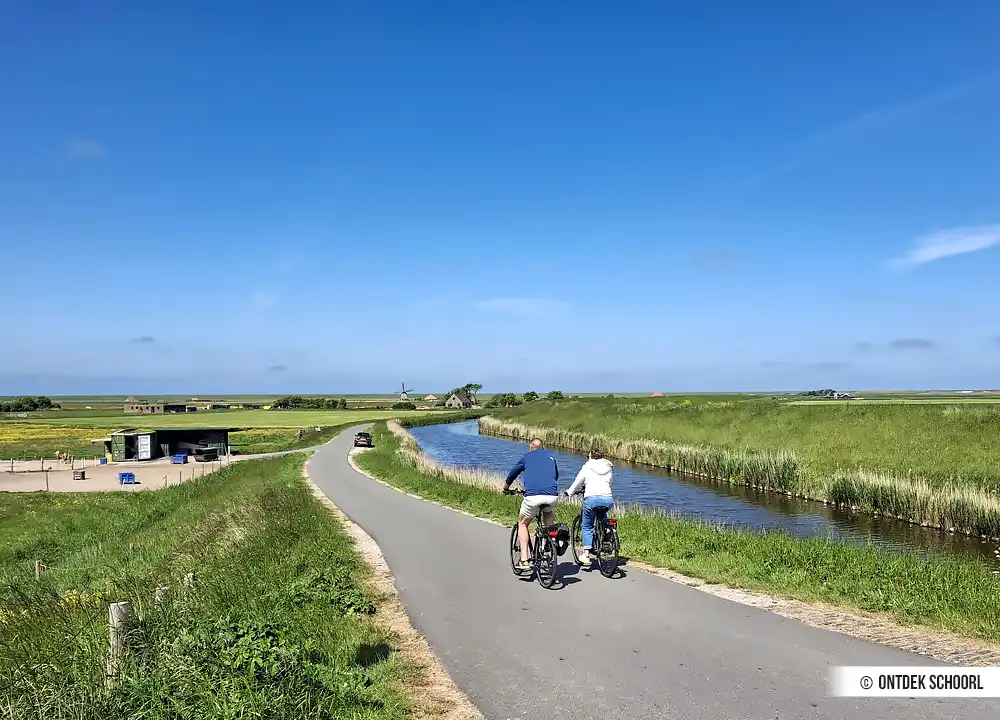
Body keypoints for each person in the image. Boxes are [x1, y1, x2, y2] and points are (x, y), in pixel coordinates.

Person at [503, 438, 560, 570]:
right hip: (552, 495)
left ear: (531, 447)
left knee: (523, 524)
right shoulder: (551, 457)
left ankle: (524, 560)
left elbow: (513, 474)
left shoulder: (526, 457)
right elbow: (555, 476)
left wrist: (505, 488)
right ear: (542, 447)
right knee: (548, 511)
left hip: (533, 496)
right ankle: (548, 537)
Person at [564, 448, 613, 566]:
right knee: (602, 515)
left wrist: (569, 492)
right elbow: (610, 482)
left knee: (587, 526)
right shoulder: (609, 467)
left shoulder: (587, 466)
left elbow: (578, 481)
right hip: (607, 498)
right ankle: (606, 534)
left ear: (591, 457)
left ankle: (586, 555)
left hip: (591, 499)